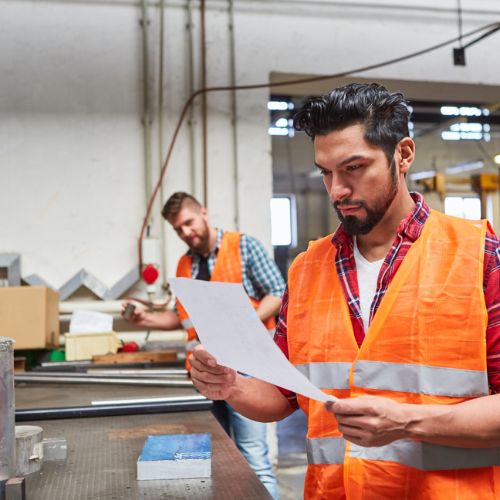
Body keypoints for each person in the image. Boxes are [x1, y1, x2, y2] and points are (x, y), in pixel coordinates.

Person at [189, 83, 500, 499]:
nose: (337, 190)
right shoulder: (307, 269)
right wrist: (231, 386)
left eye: (354, 168)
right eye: (326, 172)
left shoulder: (478, 255)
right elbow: (282, 396)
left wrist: (408, 421)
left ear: (403, 154)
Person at [122, 191, 285, 499]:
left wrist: (243, 324)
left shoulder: (243, 246)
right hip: (207, 374)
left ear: (204, 214)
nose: (186, 232)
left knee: (254, 457)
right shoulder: (185, 265)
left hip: (248, 368)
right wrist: (145, 319)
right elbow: (180, 317)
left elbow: (277, 292)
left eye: (188, 223)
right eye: (178, 229)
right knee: (220, 458)